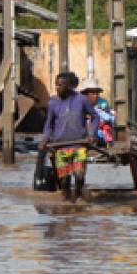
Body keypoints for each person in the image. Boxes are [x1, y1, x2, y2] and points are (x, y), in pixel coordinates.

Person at [43, 71, 102, 201]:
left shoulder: (81, 100)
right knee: (64, 180)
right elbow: (49, 124)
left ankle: (78, 195)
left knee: (79, 175)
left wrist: (92, 134)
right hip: (60, 147)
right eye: (56, 85)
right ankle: (67, 202)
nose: (57, 88)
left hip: (79, 145)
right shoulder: (52, 103)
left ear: (69, 86)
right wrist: (45, 139)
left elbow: (95, 116)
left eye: (60, 85)